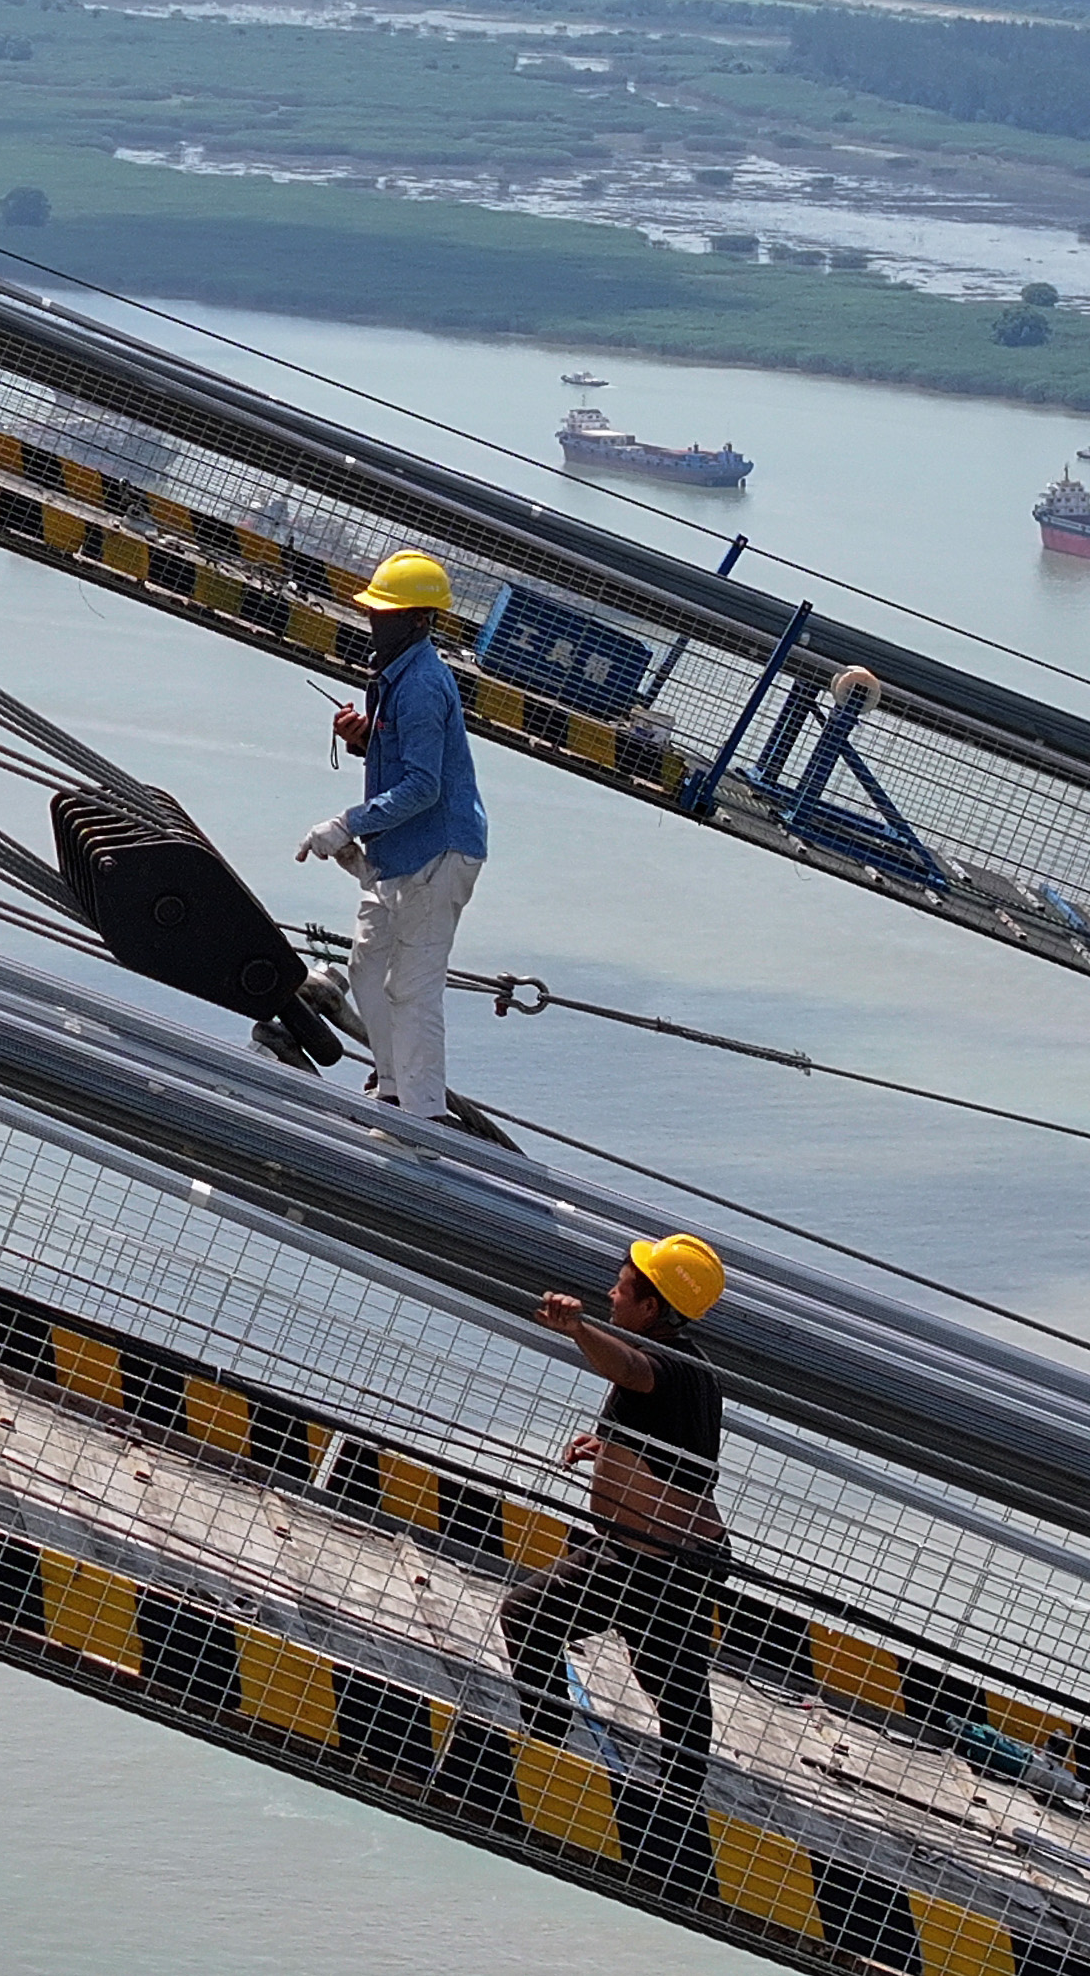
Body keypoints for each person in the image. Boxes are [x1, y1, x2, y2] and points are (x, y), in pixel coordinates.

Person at [502, 1234, 733, 1788]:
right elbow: (676, 1451)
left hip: (662, 1564)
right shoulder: (688, 1368)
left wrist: (578, 1329)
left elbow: (630, 1369)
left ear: (652, 1308)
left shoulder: (667, 1366)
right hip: (646, 1553)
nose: (611, 1293)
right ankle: (565, 1748)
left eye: (623, 1289)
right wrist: (608, 1448)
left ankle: (554, 1749)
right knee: (672, 1686)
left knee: (530, 1617)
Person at [297, 547, 489, 1120]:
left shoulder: (424, 685)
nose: (373, 619)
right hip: (401, 857)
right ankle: (392, 1085)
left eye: (385, 612)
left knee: (414, 985)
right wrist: (363, 740)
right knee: (366, 969)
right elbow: (402, 762)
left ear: (418, 620)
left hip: (438, 855)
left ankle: (424, 1112)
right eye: (374, 610)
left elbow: (424, 787)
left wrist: (347, 823)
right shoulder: (393, 677)